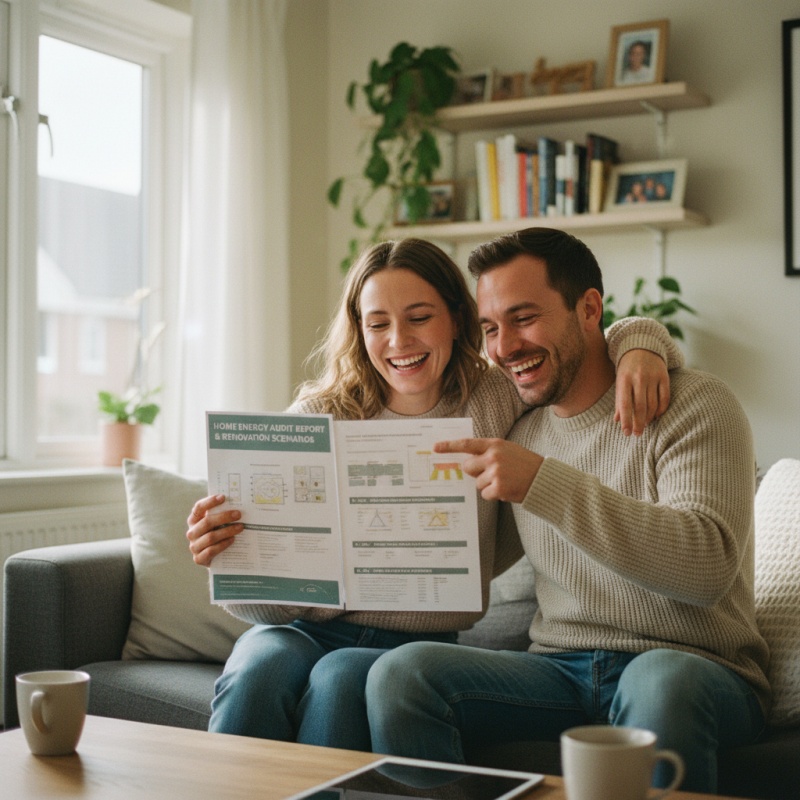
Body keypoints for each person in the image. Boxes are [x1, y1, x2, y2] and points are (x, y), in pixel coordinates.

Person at [185, 237, 681, 752]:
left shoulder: (490, 397)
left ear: (457, 319)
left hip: (418, 641)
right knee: (256, 671)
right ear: (359, 330)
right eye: (377, 323)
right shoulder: (318, 418)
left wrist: (640, 343)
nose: (399, 340)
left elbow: (572, 352)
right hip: (300, 628)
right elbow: (255, 605)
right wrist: (228, 557)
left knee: (337, 680)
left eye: (419, 317)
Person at [365, 228, 769, 795]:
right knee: (401, 675)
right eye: (489, 327)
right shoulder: (521, 427)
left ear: (589, 309)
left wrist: (544, 481)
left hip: (692, 666)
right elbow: (465, 551)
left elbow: (703, 569)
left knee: (660, 681)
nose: (504, 346)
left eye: (523, 317)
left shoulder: (695, 403)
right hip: (559, 671)